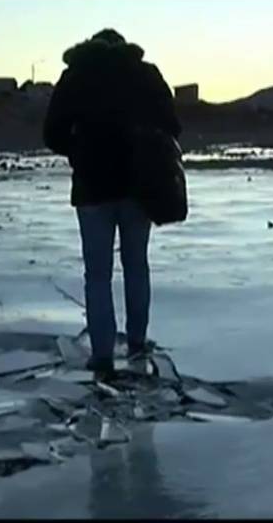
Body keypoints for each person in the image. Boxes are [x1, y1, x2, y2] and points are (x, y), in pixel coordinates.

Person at [43, 29, 181, 378]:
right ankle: (137, 342)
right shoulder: (145, 74)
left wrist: (78, 150)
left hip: (91, 188)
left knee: (97, 274)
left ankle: (102, 355)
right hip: (140, 184)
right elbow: (173, 125)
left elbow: (51, 133)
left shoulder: (75, 76)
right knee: (137, 265)